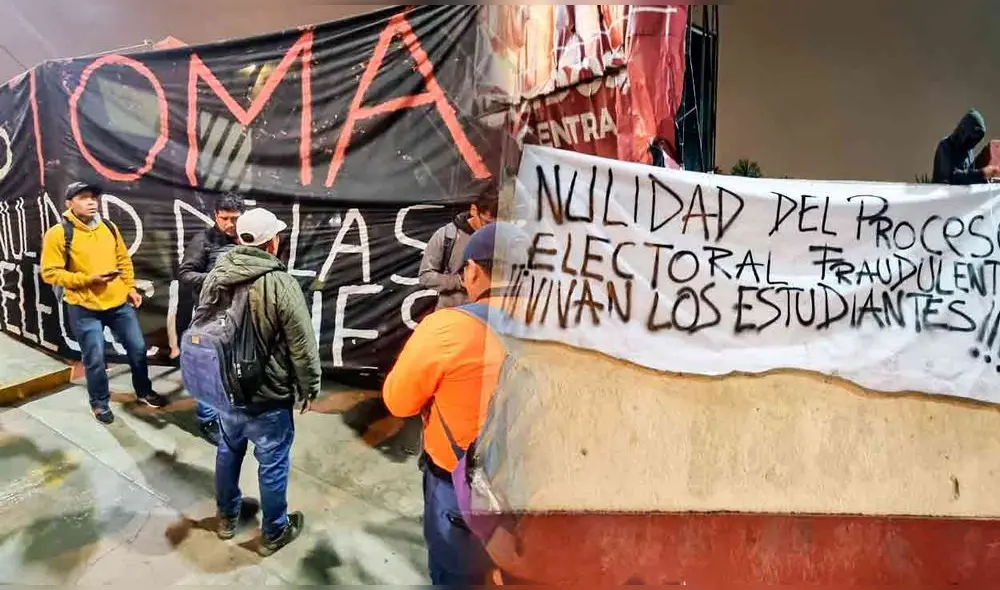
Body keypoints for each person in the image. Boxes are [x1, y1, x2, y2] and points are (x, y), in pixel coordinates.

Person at [384, 222, 525, 586]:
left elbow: (398, 401)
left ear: (474, 270)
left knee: (456, 576)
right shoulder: (559, 326)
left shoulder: (445, 329)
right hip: (532, 490)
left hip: (462, 485)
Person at [199, 207, 320, 556]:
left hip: (226, 390)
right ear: (272, 243)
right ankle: (273, 532)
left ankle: (226, 518)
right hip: (269, 396)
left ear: (240, 239)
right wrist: (309, 387)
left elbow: (203, 328)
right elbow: (302, 345)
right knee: (273, 461)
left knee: (228, 450)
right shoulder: (281, 284)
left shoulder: (217, 274)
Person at [40, 182, 169, 424]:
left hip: (118, 303)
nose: (91, 202)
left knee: (138, 349)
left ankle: (143, 391)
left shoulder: (108, 227)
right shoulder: (59, 233)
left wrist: (129, 287)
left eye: (93, 198)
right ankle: (99, 403)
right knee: (96, 359)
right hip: (84, 308)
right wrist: (88, 279)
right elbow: (50, 273)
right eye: (83, 197)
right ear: (69, 203)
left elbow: (123, 259)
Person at [178, 193, 246, 445]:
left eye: (234, 218)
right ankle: (207, 419)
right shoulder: (204, 240)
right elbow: (185, 274)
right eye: (224, 218)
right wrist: (215, 279)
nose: (229, 223)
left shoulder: (246, 238)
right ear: (215, 216)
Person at [419, 190, 498, 311]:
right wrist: (459, 281)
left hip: (489, 315)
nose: (492, 229)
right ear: (474, 210)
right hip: (451, 312)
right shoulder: (447, 236)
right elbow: (426, 276)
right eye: (487, 223)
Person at [932, 109, 1000, 185]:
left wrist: (988, 179)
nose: (972, 144)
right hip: (944, 196)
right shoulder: (945, 146)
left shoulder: (969, 152)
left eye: (976, 141)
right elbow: (952, 177)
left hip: (963, 196)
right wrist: (982, 173)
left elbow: (969, 179)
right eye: (971, 139)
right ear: (963, 130)